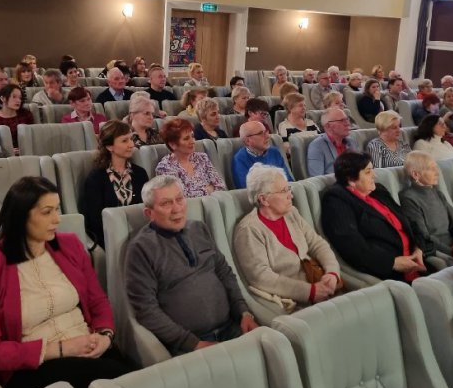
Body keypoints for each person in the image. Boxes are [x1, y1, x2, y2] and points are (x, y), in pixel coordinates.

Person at [0, 177, 135, 388]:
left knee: (133, 384)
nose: (56, 219)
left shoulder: (70, 245)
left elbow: (97, 301)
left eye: (57, 209)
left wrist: (105, 335)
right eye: (47, 212)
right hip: (35, 367)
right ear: (21, 217)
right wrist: (60, 349)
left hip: (90, 349)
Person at [126, 176, 258, 354]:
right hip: (190, 344)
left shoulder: (199, 228)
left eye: (179, 199)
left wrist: (244, 312)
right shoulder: (140, 249)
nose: (177, 209)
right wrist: (193, 344)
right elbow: (146, 310)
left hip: (232, 327)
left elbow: (224, 273)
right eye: (166, 203)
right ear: (149, 213)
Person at [233, 164, 340, 308]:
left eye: (288, 188)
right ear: (263, 199)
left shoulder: (291, 213)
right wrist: (310, 291)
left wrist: (332, 272)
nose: (291, 195)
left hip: (317, 279)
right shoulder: (249, 230)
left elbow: (317, 244)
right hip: (294, 301)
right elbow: (261, 277)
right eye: (284, 191)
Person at [321, 152, 426, 282]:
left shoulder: (378, 190)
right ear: (351, 179)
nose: (374, 175)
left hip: (416, 261)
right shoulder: (336, 200)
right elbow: (351, 245)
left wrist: (418, 248)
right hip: (387, 272)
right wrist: (392, 263)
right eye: (368, 172)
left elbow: (408, 221)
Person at [80, 120, 148, 249]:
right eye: (124, 141)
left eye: (131, 139)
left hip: (141, 236)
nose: (131, 144)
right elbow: (94, 221)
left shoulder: (140, 173)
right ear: (109, 147)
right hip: (110, 239)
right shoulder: (96, 178)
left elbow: (147, 209)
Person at [399, 151, 453, 268]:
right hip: (439, 250)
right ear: (416, 174)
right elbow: (423, 236)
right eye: (431, 169)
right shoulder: (408, 198)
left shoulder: (437, 193)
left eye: (436, 168)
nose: (437, 172)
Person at [155, 118, 225, 197]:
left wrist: (197, 192)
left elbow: (220, 186)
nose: (192, 141)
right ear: (172, 145)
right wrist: (208, 190)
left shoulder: (202, 158)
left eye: (192, 136)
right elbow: (180, 197)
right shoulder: (165, 167)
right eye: (186, 138)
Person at [232, 121, 293, 189]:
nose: (267, 136)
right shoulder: (240, 160)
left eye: (266, 132)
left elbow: (289, 180)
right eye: (261, 133)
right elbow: (247, 190)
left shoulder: (274, 152)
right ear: (247, 141)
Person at [0, 84, 35, 152]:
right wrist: (6, 150)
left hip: (25, 151)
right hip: (0, 154)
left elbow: (32, 137)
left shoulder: (26, 115)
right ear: (3, 98)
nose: (18, 100)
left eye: (20, 98)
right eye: (14, 97)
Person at [307, 107, 357, 176]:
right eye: (342, 120)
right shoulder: (317, 146)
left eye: (347, 119)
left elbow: (359, 168)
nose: (347, 123)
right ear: (328, 126)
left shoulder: (351, 142)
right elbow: (317, 178)